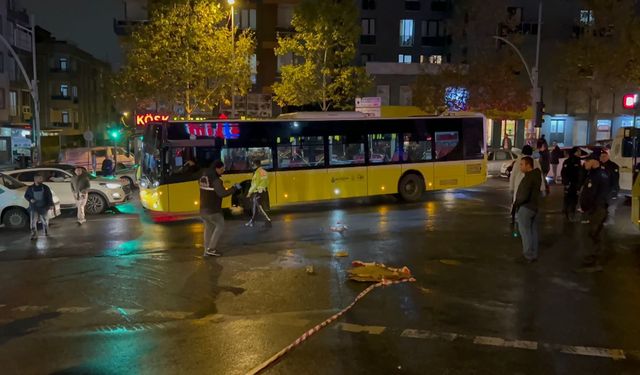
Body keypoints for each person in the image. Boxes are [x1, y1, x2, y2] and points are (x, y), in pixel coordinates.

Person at [199, 160, 240, 257]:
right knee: (220, 225)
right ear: (217, 168)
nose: (223, 171)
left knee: (208, 228)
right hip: (212, 210)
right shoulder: (216, 180)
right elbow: (222, 193)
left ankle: (206, 250)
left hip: (203, 209)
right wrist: (234, 188)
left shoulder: (203, 177)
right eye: (222, 169)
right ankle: (211, 249)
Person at [578, 157, 610, 270]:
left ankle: (593, 260)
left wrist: (586, 207)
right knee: (594, 234)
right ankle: (594, 259)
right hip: (596, 208)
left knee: (590, 234)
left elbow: (592, 194)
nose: (584, 164)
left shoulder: (597, 175)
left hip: (595, 209)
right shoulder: (597, 173)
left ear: (593, 161)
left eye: (586, 161)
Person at [513, 156, 542, 263]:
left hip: (526, 207)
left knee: (525, 232)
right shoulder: (536, 175)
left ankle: (527, 255)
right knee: (533, 231)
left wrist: (517, 203)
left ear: (528, 165)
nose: (520, 167)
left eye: (522, 164)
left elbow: (523, 195)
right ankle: (533, 254)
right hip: (534, 207)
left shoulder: (529, 178)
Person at [24, 174, 54, 240]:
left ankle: (46, 232)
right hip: (34, 207)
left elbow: (49, 196)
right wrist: (30, 199)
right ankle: (34, 234)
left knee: (45, 221)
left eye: (41, 178)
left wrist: (51, 204)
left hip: (44, 207)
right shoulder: (30, 188)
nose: (41, 180)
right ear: (35, 179)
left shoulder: (45, 187)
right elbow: (26, 196)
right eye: (40, 178)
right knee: (33, 222)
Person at [245, 159, 272, 228]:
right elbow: (267, 182)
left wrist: (249, 193)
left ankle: (268, 221)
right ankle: (252, 221)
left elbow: (255, 184)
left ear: (255, 165)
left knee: (260, 208)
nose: (252, 166)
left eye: (253, 165)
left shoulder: (257, 173)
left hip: (258, 193)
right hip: (264, 191)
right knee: (256, 207)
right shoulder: (264, 171)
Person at [561, 147, 583, 221]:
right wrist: (567, 183)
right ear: (575, 152)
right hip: (572, 183)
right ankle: (569, 214)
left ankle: (568, 214)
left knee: (571, 199)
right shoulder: (571, 161)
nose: (580, 153)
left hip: (573, 184)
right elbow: (564, 173)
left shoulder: (577, 161)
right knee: (571, 199)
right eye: (578, 151)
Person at [599, 151, 620, 225]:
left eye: (604, 156)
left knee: (611, 206)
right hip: (602, 190)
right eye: (601, 156)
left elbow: (615, 179)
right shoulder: (599, 165)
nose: (602, 158)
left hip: (610, 189)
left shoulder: (613, 166)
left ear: (608, 156)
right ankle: (603, 220)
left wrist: (614, 190)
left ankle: (610, 220)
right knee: (602, 206)